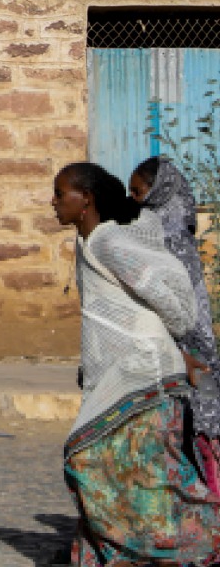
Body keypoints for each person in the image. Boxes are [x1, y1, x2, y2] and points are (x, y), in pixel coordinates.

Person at [52, 162, 220, 565]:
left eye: (61, 194)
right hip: (122, 376)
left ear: (85, 200)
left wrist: (170, 340)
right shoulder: (88, 241)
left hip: (146, 376)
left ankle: (200, 541)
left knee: (97, 460)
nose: (54, 202)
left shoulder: (109, 243)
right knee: (117, 471)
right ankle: (105, 551)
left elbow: (167, 300)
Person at [131, 155, 220, 491]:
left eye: (139, 193)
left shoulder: (168, 241)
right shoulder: (162, 234)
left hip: (185, 352)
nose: (134, 201)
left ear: (159, 192)